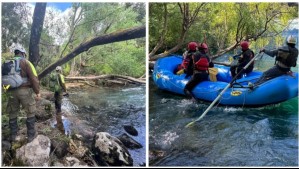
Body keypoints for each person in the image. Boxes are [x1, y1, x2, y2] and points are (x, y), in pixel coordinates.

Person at [4, 47, 40, 143]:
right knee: (30, 112)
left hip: (10, 92)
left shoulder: (7, 63)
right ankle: (31, 137)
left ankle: (13, 136)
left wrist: (5, 91)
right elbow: (34, 78)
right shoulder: (26, 62)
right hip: (24, 91)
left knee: (12, 113)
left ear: (15, 53)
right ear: (23, 53)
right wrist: (37, 92)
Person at [49, 66, 68, 134]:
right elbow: (63, 83)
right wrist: (65, 90)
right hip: (59, 89)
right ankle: (59, 111)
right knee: (59, 99)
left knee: (56, 98)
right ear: (60, 70)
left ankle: (56, 108)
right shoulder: (60, 75)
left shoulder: (53, 75)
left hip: (54, 89)